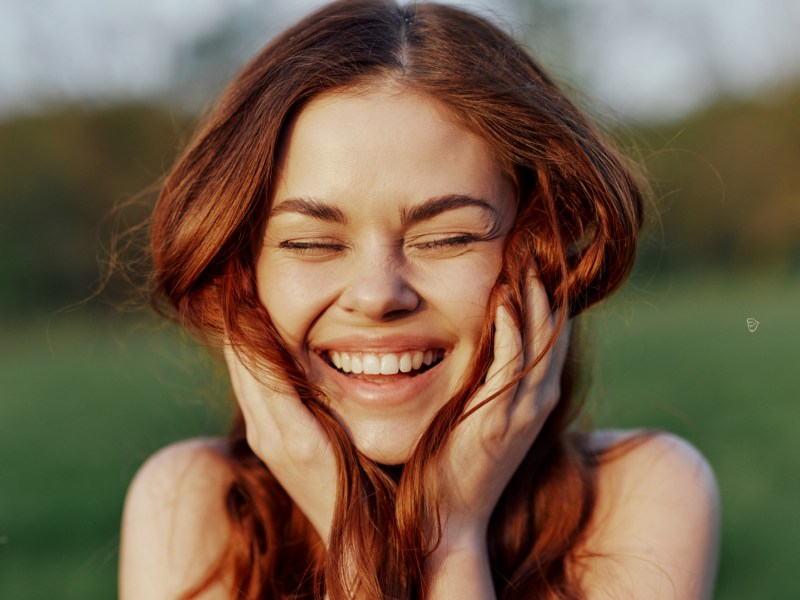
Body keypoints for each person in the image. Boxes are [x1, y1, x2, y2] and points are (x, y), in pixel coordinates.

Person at [118, 1, 719, 598]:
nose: (379, 294)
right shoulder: (189, 506)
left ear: (540, 252)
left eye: (447, 237)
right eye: (312, 242)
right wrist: (349, 533)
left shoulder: (642, 494)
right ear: (244, 274)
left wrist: (449, 536)